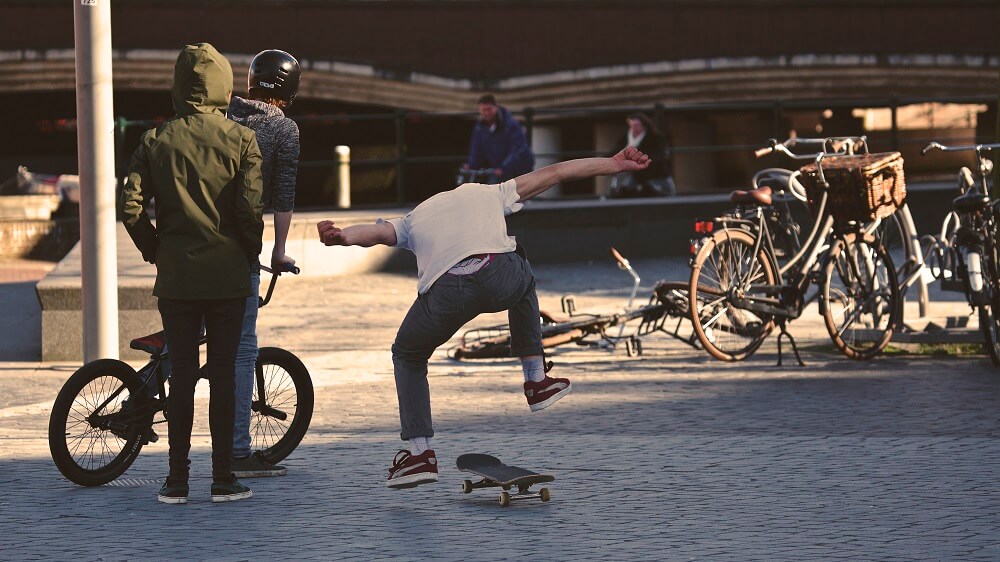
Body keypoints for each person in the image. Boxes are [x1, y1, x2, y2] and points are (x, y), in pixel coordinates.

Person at [316, 146, 652, 489]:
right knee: (524, 276)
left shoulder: (414, 218)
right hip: (497, 276)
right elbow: (557, 173)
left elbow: (374, 234)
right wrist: (612, 164)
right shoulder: (488, 193)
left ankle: (419, 454)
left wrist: (341, 236)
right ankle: (536, 381)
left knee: (408, 354)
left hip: (446, 293)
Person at [119, 43, 264, 505]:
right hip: (227, 277)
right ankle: (223, 478)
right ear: (224, 84)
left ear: (179, 87)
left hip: (178, 277)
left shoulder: (156, 140)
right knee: (223, 375)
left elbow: (130, 207)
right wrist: (249, 253)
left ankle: (176, 481)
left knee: (181, 375)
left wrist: (156, 250)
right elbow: (248, 211)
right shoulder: (242, 139)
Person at [225, 49, 301, 478]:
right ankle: (238, 452)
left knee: (185, 346)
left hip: (191, 249)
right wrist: (279, 250)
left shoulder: (222, 116)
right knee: (242, 349)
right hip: (239, 253)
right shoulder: (283, 129)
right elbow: (284, 194)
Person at [462, 94, 535, 183]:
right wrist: (471, 165)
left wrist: (503, 167)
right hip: (498, 169)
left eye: (489, 109)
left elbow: (518, 149)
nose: (486, 113)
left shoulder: (511, 124)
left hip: (518, 168)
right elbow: (476, 149)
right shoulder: (479, 128)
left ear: (496, 107)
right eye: (483, 110)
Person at [607, 113, 676, 198]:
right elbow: (618, 149)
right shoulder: (628, 137)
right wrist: (607, 159)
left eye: (636, 125)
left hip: (656, 173)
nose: (634, 128)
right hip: (637, 174)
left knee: (661, 194)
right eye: (632, 125)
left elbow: (660, 155)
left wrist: (644, 160)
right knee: (624, 191)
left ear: (643, 125)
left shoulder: (655, 137)